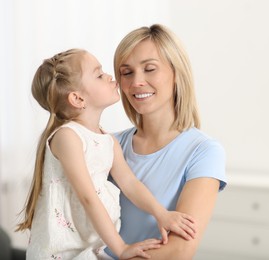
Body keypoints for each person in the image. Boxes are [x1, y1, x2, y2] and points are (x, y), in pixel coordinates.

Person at [16, 48, 197, 259]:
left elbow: (130, 183)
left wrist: (162, 214)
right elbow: (88, 197)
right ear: (77, 98)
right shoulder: (68, 137)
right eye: (100, 74)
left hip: (89, 249)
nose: (111, 77)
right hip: (60, 252)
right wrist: (121, 248)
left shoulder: (108, 140)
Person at [103, 24, 227, 260]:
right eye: (126, 72)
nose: (136, 81)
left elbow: (180, 250)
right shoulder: (108, 144)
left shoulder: (203, 152)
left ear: (177, 74)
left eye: (150, 69)